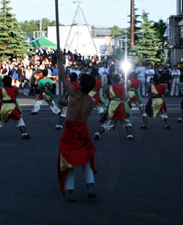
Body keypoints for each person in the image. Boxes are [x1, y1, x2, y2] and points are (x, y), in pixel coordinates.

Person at [57, 67, 97, 202]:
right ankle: (90, 187)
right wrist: (65, 104)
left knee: (68, 161)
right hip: (83, 130)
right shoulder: (91, 102)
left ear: (80, 84)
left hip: (70, 129)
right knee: (86, 160)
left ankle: (70, 191)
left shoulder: (73, 94)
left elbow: (62, 77)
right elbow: (77, 106)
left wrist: (60, 59)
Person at [0, 75, 30, 140]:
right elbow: (22, 92)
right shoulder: (14, 89)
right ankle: (24, 133)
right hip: (13, 107)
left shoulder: (1, 90)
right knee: (19, 121)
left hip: (4, 108)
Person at [94, 73, 133, 141]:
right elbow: (126, 96)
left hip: (112, 106)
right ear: (120, 79)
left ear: (113, 80)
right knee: (126, 121)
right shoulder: (123, 87)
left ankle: (98, 133)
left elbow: (106, 97)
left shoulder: (110, 88)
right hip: (120, 105)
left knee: (108, 122)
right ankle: (129, 134)